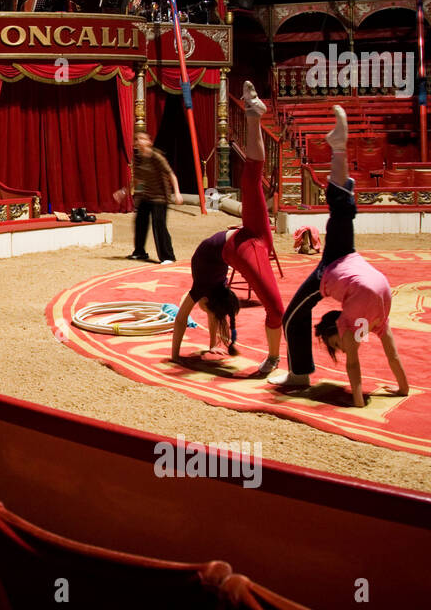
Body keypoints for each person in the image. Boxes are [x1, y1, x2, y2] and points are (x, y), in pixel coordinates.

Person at [267, 105, 409, 408]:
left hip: (351, 270)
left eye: (336, 344)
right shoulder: (362, 323)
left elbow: (358, 364)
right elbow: (376, 358)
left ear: (337, 330)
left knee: (293, 315)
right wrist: (388, 393)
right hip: (347, 265)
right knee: (340, 211)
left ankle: (299, 373)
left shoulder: (364, 323)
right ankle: (338, 150)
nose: (341, 348)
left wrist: (363, 400)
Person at [169, 83, 284, 375]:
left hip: (247, 244)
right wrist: (190, 350)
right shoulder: (206, 290)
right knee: (252, 180)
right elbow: (187, 317)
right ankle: (254, 116)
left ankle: (273, 359)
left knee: (276, 309)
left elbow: (184, 318)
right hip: (244, 239)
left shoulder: (206, 290)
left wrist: (175, 358)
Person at [128, 131, 181, 263]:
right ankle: (139, 252)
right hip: (147, 196)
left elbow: (171, 175)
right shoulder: (138, 158)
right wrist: (125, 191)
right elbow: (137, 179)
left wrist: (177, 193)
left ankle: (168, 256)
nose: (139, 141)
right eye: (137, 139)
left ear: (149, 142)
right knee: (140, 222)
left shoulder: (156, 156)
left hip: (160, 197)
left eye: (142, 138)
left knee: (159, 225)